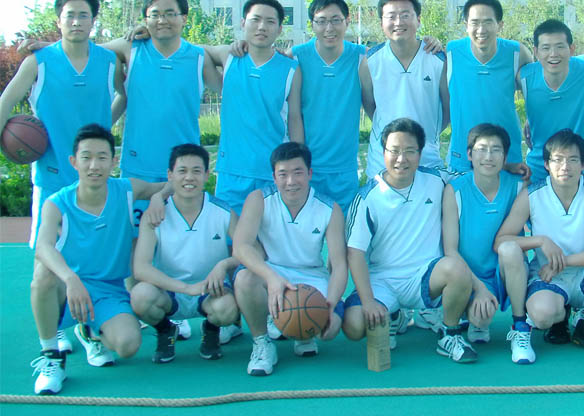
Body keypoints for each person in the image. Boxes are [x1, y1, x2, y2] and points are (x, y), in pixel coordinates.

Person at [1, 0, 125, 356]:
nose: (76, 21)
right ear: (59, 20)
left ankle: (89, 326)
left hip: (95, 177)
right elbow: (6, 103)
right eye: (69, 15)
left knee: (94, 255)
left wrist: (101, 133)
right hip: (53, 175)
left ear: (93, 21)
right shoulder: (38, 62)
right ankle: (53, 332)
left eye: (83, 15)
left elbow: (125, 95)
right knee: (48, 258)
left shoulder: (108, 61)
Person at [30, 124, 169, 395]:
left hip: (108, 290)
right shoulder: (57, 203)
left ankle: (89, 332)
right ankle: (51, 357)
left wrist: (158, 198)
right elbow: (43, 247)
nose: (94, 165)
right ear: (74, 161)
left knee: (128, 345)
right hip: (68, 288)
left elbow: (167, 186)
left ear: (113, 162)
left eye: (102, 157)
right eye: (86, 157)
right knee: (43, 273)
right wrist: (70, 278)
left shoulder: (126, 190)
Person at [342, 118, 478, 363]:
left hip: (424, 276)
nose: (401, 159)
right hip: (382, 281)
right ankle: (392, 313)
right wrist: (369, 301)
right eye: (394, 151)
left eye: (410, 151)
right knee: (353, 326)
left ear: (420, 153)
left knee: (457, 269)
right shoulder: (367, 197)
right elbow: (355, 253)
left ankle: (450, 334)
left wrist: (511, 170)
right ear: (383, 152)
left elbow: (476, 175)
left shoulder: (437, 179)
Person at [495, 129, 584, 357]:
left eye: (573, 160)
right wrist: (540, 241)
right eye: (557, 160)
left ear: (583, 164)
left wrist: (564, 261)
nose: (565, 166)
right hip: (548, 276)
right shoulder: (532, 195)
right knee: (542, 316)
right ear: (546, 164)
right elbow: (501, 240)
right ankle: (561, 314)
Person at [101, 0, 221, 222]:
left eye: (170, 14)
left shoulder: (199, 57)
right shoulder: (130, 48)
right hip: (138, 163)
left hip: (183, 168)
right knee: (135, 237)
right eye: (155, 14)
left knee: (181, 238)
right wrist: (42, 45)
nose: (162, 20)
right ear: (145, 19)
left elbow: (233, 92)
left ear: (184, 18)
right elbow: (80, 49)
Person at [232, 142, 347, 376]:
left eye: (298, 172)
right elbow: (241, 247)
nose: (291, 181)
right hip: (273, 270)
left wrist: (331, 303)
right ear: (274, 177)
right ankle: (262, 343)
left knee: (330, 330)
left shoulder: (329, 209)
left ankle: (300, 332)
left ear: (310, 173)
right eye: (283, 174)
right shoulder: (259, 199)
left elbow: (339, 265)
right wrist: (271, 277)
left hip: (311, 276)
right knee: (244, 279)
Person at [131, 144, 239, 363]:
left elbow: (249, 250)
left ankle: (211, 330)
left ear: (207, 175)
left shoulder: (223, 211)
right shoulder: (155, 214)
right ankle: (165, 330)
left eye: (196, 171)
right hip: (169, 291)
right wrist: (185, 288)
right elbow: (141, 268)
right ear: (170, 175)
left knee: (228, 309)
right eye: (182, 171)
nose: (189, 177)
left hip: (211, 290)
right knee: (140, 296)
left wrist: (223, 265)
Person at [441, 123, 532, 363]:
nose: (488, 156)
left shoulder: (519, 185)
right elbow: (450, 250)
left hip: (506, 271)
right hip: (471, 276)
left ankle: (520, 327)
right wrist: (479, 288)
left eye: (496, 150)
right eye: (481, 149)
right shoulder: (454, 190)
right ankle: (472, 316)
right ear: (469, 154)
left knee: (510, 249)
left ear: (505, 156)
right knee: (481, 317)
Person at [205, 0, 303, 216]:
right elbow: (197, 50)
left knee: (270, 233)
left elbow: (295, 118)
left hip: (273, 170)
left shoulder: (291, 69)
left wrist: (299, 163)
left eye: (270, 21)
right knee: (231, 232)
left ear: (279, 29)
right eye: (255, 20)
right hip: (232, 170)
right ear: (243, 23)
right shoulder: (229, 57)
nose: (262, 27)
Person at [360, 0, 450, 178]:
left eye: (405, 15)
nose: (398, 22)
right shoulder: (370, 61)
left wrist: (429, 134)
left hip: (427, 156)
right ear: (381, 23)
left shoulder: (437, 59)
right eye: (391, 16)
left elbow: (448, 108)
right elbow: (370, 106)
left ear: (418, 20)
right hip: (382, 160)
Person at [291, 0, 365, 213]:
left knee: (344, 229)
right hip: (308, 167)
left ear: (347, 21)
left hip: (345, 168)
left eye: (335, 20)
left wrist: (429, 42)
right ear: (312, 24)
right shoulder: (296, 57)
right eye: (321, 21)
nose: (329, 28)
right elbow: (292, 114)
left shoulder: (361, 57)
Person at [445, 0, 532, 174]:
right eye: (475, 22)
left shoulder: (518, 53)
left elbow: (537, 91)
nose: (481, 29)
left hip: (507, 156)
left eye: (488, 22)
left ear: (500, 25)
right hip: (463, 155)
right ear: (466, 25)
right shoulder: (450, 52)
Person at [520, 19, 584, 182]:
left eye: (560, 46)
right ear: (536, 52)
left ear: (571, 49)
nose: (553, 54)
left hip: (581, 163)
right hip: (538, 165)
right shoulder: (524, 77)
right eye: (546, 48)